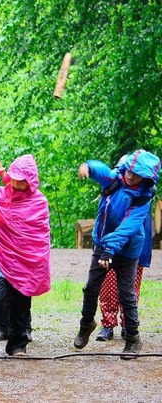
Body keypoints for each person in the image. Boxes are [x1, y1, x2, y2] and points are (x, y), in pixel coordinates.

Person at [74, 149, 160, 359]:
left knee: (126, 294)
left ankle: (132, 338)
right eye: (129, 170)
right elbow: (103, 171)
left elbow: (127, 228)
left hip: (127, 251)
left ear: (146, 177)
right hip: (103, 244)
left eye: (136, 173)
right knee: (91, 288)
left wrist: (110, 250)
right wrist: (89, 167)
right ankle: (87, 324)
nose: (131, 175)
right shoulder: (115, 180)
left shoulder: (143, 198)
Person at [0, 154, 51, 358]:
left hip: (26, 263)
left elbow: (40, 237)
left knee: (21, 303)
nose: (16, 182)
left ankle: (17, 345)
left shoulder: (39, 202)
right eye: (14, 177)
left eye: (22, 179)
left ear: (31, 180)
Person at [96, 158, 154, 342]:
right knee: (107, 286)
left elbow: (138, 226)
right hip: (111, 245)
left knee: (130, 289)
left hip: (133, 249)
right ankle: (107, 324)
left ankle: (128, 325)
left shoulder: (143, 193)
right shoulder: (114, 186)